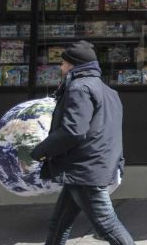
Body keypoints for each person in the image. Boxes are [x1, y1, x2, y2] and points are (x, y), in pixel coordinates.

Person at [30, 40, 134, 245]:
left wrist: (41, 151)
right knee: (59, 222)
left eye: (63, 63)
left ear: (74, 65)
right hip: (89, 166)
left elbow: (73, 130)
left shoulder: (79, 88)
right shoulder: (107, 91)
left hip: (84, 168)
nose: (61, 67)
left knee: (107, 225)